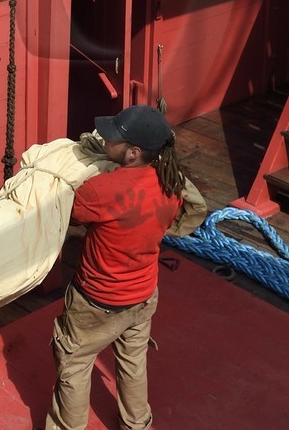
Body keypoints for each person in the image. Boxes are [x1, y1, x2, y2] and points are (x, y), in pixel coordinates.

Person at [45, 105, 190, 430]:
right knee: (133, 364)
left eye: (112, 138)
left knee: (74, 366)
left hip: (96, 304)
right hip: (142, 297)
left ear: (132, 153)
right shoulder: (172, 184)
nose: (104, 139)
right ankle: (137, 425)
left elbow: (71, 213)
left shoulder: (101, 191)